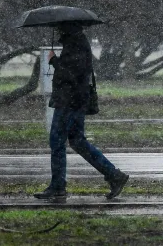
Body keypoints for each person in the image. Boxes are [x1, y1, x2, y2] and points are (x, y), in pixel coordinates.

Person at [34, 22, 129, 202]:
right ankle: (114, 175)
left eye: (59, 28)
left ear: (67, 28)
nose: (57, 30)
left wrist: (54, 60)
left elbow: (70, 74)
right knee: (78, 141)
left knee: (57, 140)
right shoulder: (76, 42)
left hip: (69, 101)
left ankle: (58, 187)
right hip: (76, 100)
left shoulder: (76, 44)